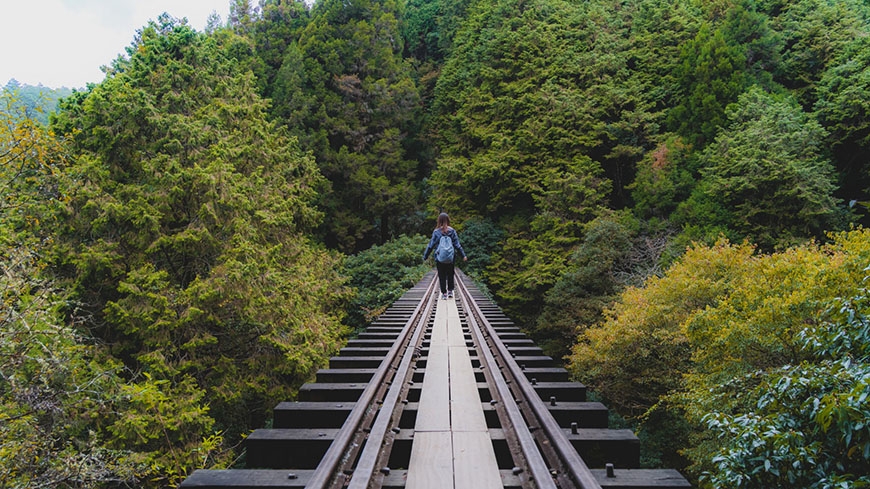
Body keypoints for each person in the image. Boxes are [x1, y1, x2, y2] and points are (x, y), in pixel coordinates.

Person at [423, 212, 468, 300]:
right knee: (450, 274)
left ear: (439, 221)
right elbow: (457, 245)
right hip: (451, 258)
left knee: (442, 275)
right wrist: (463, 255)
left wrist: (425, 256)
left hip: (439, 257)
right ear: (448, 220)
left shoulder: (436, 232)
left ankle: (444, 293)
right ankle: (450, 291)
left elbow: (430, 245)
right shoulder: (452, 231)